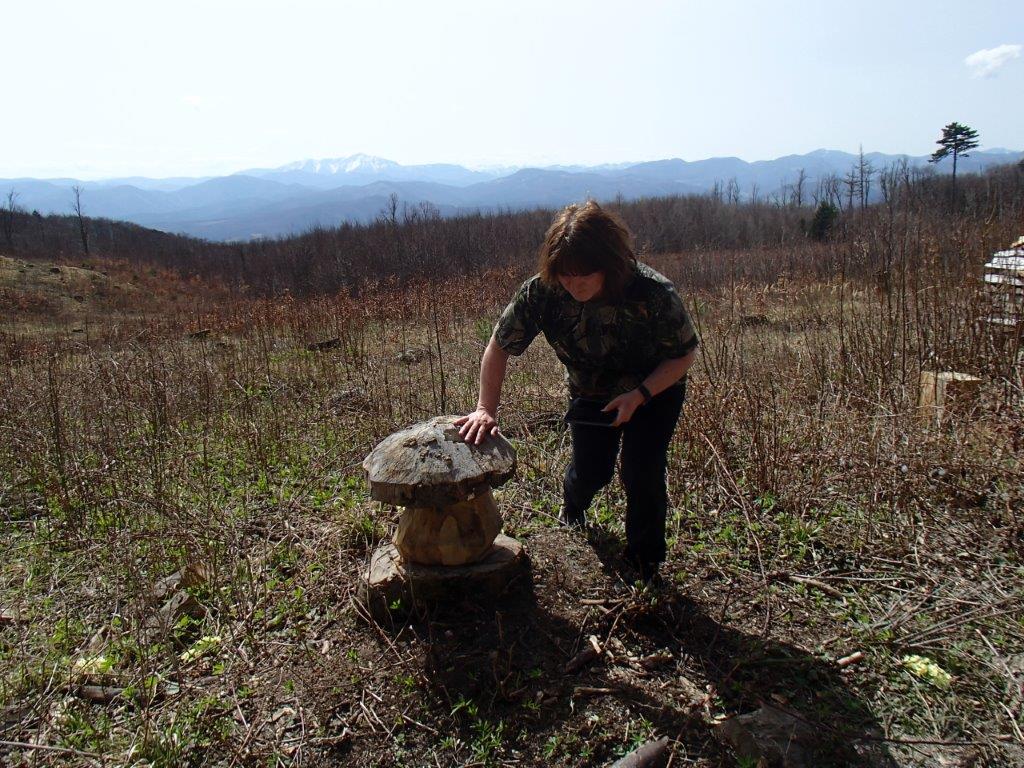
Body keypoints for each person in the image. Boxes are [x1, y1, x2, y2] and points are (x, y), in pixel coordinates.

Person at [455, 200, 699, 583]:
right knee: (590, 472)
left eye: (584, 275)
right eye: (566, 275)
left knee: (642, 471)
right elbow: (499, 346)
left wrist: (640, 396)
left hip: (655, 391)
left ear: (610, 264)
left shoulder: (652, 292)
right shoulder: (542, 292)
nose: (574, 284)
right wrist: (485, 408)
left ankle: (643, 563)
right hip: (591, 393)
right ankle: (574, 509)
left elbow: (683, 354)